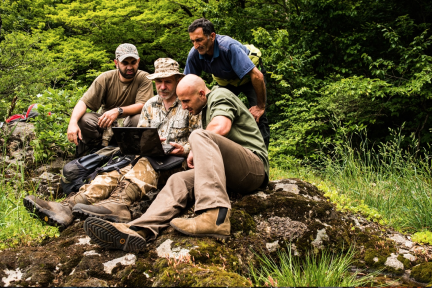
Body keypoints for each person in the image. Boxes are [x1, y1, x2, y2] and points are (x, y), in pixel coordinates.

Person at [82, 74, 269, 252]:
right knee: (178, 180)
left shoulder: (220, 95)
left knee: (199, 134)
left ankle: (215, 216)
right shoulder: (202, 111)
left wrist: (195, 147)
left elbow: (221, 127)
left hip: (253, 168)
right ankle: (139, 230)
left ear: (202, 94)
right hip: (229, 172)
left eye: (186, 101)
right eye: (181, 102)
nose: (184, 107)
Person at [23, 59, 201, 230]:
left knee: (146, 164)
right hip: (148, 156)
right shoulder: (150, 104)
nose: (162, 87)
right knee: (115, 170)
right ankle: (69, 206)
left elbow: (200, 139)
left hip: (177, 161)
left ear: (178, 80)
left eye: (167, 82)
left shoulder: (188, 101)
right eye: (159, 82)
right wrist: (138, 145)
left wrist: (184, 149)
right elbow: (140, 136)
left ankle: (119, 204)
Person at [184, 18, 270, 147]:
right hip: (226, 82)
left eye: (199, 40)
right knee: (217, 110)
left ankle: (261, 158)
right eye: (193, 41)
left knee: (259, 116)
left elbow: (257, 76)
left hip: (249, 78)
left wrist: (260, 106)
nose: (196, 45)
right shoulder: (194, 54)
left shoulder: (228, 47)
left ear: (212, 36)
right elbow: (187, 83)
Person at [67, 43, 154, 149]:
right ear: (116, 63)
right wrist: (72, 123)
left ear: (138, 61)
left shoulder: (144, 78)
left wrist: (118, 111)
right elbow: (84, 102)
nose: (130, 67)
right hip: (105, 123)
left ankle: (129, 148)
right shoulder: (105, 78)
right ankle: (96, 148)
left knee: (138, 118)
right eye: (125, 63)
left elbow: (143, 105)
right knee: (84, 119)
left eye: (133, 62)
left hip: (129, 123)